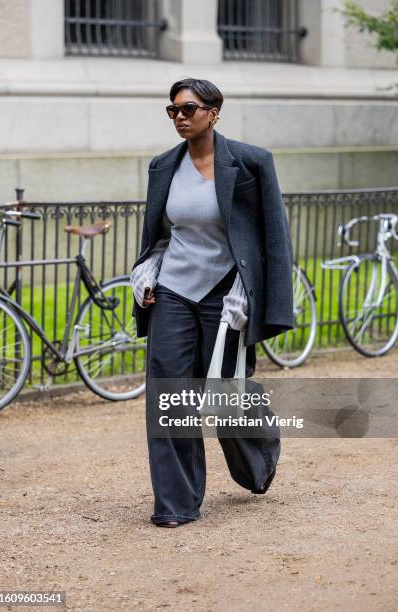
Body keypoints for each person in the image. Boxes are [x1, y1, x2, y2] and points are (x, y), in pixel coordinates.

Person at [131, 78, 294, 527]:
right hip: (174, 293)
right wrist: (147, 270)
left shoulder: (250, 162)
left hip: (226, 293)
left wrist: (252, 293)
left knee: (224, 396)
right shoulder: (163, 166)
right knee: (169, 397)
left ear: (213, 112)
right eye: (173, 111)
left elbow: (271, 238)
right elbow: (162, 235)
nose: (180, 117)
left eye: (188, 109)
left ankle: (259, 451)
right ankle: (175, 503)